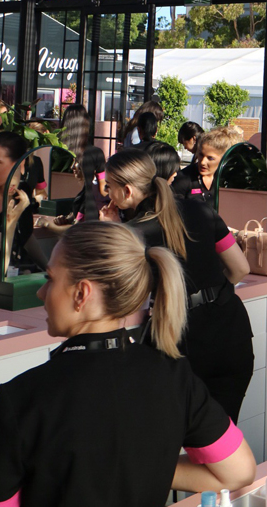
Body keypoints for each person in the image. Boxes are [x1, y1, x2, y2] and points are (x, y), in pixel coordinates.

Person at [0, 221, 255, 507]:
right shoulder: (175, 377)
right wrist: (144, 464)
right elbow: (237, 471)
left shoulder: (23, 397)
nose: (41, 292)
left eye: (50, 279)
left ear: (81, 293)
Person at [103, 148, 254, 421]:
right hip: (231, 333)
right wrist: (211, 294)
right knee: (223, 444)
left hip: (181, 342)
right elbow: (240, 267)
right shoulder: (200, 208)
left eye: (109, 187)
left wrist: (112, 231)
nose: (106, 195)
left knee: (174, 442)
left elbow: (118, 293)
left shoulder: (131, 234)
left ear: (127, 191)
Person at [0, 133, 47, 287]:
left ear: (19, 165)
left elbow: (27, 236)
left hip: (13, 285)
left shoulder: (23, 196)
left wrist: (49, 268)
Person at [184, 127, 239, 204]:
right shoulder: (184, 177)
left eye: (210, 158)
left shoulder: (231, 181)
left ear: (224, 159)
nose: (203, 162)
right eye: (201, 155)